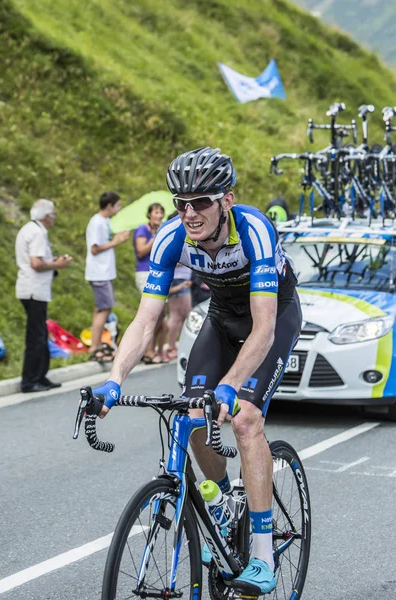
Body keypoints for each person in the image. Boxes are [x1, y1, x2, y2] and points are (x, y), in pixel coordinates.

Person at [88, 147, 302, 595]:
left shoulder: (254, 231)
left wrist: (230, 385)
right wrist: (113, 380)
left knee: (244, 417)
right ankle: (222, 498)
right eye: (180, 203)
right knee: (189, 413)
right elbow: (146, 321)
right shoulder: (171, 238)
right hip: (222, 316)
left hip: (272, 317)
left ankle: (262, 557)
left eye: (200, 202)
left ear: (226, 199)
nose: (189, 213)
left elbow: (263, 329)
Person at [15, 199, 72, 393]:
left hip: (31, 288)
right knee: (36, 336)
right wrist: (58, 264)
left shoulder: (29, 229)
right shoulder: (38, 233)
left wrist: (53, 261)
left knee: (40, 333)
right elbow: (36, 263)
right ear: (47, 216)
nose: (54, 218)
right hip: (34, 290)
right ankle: (30, 380)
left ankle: (40, 375)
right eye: (54, 214)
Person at [85, 192, 130, 362]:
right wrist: (116, 242)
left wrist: (118, 238)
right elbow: (94, 248)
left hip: (104, 272)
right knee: (105, 308)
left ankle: (95, 344)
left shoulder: (105, 222)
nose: (118, 209)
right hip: (99, 272)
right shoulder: (96, 222)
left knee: (101, 308)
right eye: (117, 205)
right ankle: (95, 346)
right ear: (109, 205)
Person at [133, 202, 169, 364]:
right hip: (145, 272)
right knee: (152, 312)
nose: (159, 215)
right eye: (156, 212)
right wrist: (155, 239)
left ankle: (150, 348)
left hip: (159, 272)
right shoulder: (143, 230)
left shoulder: (162, 230)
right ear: (149, 214)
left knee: (161, 313)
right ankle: (147, 351)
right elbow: (140, 252)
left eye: (161, 212)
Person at [166, 263, 192, 360]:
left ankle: (179, 346)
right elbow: (174, 260)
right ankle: (171, 348)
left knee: (182, 317)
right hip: (178, 279)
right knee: (177, 316)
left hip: (181, 278)